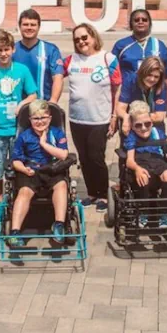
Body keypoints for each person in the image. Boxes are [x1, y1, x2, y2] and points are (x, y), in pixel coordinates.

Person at [63, 23, 121, 211]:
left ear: (94, 37)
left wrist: (114, 115)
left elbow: (117, 86)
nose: (81, 42)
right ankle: (91, 193)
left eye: (84, 37)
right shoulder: (71, 60)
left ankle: (103, 194)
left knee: (97, 157)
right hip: (77, 119)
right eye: (77, 39)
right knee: (84, 158)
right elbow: (53, 75)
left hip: (99, 118)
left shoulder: (108, 59)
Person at [0, 30, 37, 199]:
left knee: (17, 166)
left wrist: (22, 104)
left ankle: (17, 198)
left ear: (13, 50)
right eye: (0, 50)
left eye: (6, 50)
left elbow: (33, 94)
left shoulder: (21, 70)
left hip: (17, 129)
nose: (3, 54)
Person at [6, 100, 70, 247]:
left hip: (52, 168)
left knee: (61, 185)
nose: (40, 121)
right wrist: (24, 169)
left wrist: (44, 144)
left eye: (43, 118)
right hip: (30, 170)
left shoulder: (56, 133)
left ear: (50, 118)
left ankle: (59, 225)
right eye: (36, 118)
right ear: (30, 120)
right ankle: (15, 232)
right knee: (24, 192)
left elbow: (63, 155)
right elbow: (15, 160)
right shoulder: (24, 136)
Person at [124, 101, 167, 228]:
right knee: (144, 176)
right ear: (133, 126)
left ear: (151, 121)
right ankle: (143, 212)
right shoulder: (132, 137)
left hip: (158, 162)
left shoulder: (157, 132)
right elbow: (129, 160)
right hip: (141, 163)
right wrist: (137, 169)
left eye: (147, 123)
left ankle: (164, 215)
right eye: (138, 125)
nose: (144, 128)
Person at [112, 8, 167, 113]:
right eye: (136, 20)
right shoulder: (121, 45)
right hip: (128, 99)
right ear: (131, 24)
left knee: (154, 125)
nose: (140, 22)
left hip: (154, 99)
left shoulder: (160, 46)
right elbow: (113, 75)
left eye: (144, 20)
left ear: (149, 23)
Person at [13, 9, 65, 103]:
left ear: (39, 27)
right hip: (17, 108)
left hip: (42, 109)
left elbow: (58, 77)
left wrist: (53, 101)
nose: (29, 28)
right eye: (25, 24)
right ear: (19, 26)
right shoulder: (12, 50)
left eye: (33, 25)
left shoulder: (50, 50)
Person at [116, 56, 167, 135]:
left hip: (154, 128)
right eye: (149, 75)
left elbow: (159, 116)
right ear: (142, 72)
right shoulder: (130, 81)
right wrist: (126, 117)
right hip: (132, 127)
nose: (152, 79)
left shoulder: (161, 86)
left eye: (156, 77)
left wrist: (135, 117)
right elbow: (120, 109)